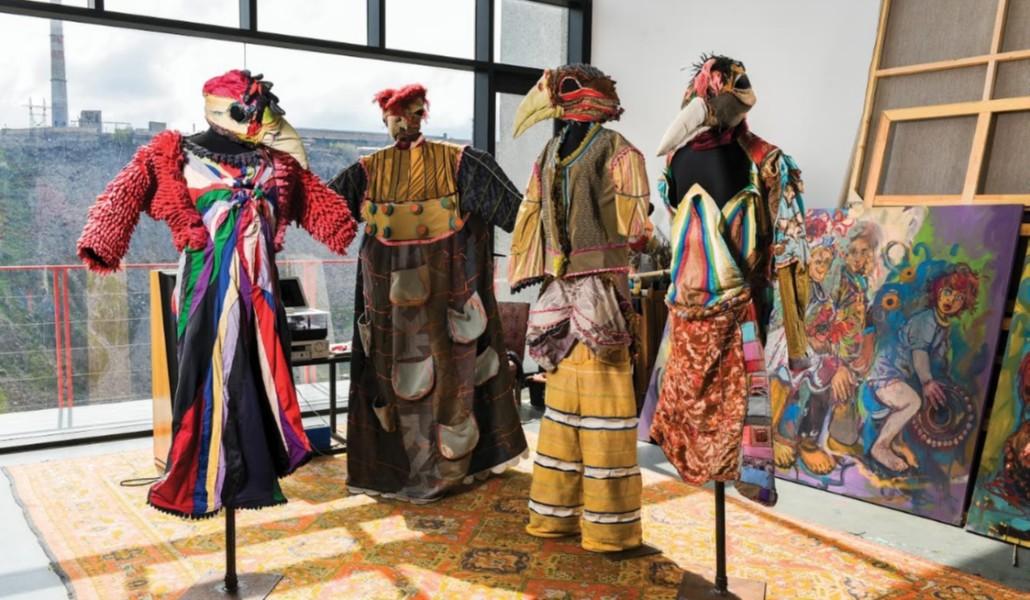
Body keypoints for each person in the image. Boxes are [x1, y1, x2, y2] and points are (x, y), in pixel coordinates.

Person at [329, 84, 528, 503]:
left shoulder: (462, 162)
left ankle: (455, 464)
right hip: (388, 307)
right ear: (385, 118)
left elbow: (516, 213)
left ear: (424, 114)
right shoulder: (366, 171)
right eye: (397, 116)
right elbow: (324, 212)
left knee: (452, 382)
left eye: (415, 113)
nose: (406, 123)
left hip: (447, 299)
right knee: (392, 383)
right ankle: (399, 468)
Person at [508, 64, 652, 552]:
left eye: (565, 88)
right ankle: (574, 521)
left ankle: (591, 525)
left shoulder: (606, 150)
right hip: (574, 293)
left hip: (592, 294)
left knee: (590, 405)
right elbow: (636, 229)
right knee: (575, 408)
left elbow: (633, 225)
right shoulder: (562, 152)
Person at [866, 265, 979, 471]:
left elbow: (938, 361)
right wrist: (927, 382)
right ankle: (880, 446)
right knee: (913, 401)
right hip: (886, 374)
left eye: (958, 298)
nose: (950, 300)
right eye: (948, 292)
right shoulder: (926, 320)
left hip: (902, 376)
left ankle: (895, 442)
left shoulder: (942, 327)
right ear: (938, 291)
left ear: (963, 304)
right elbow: (920, 354)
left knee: (920, 399)